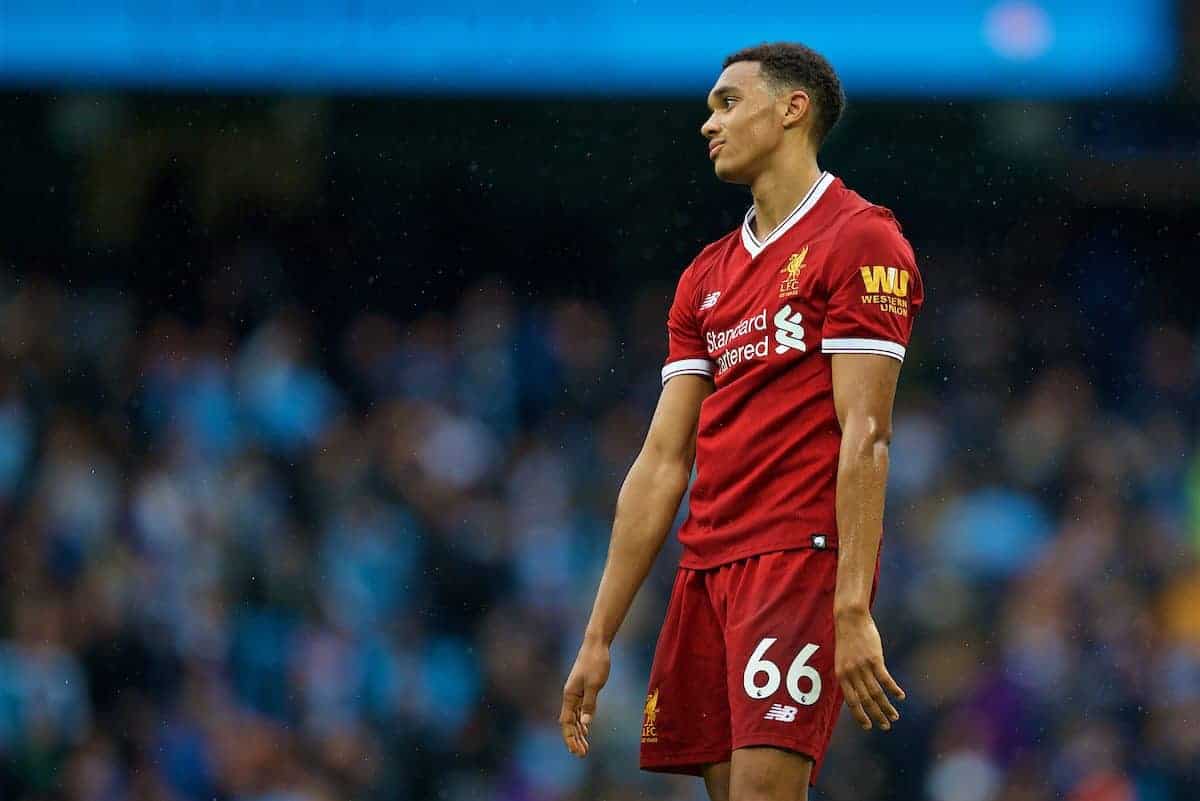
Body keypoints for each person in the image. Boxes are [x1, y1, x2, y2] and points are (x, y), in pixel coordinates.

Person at [560, 42, 924, 800]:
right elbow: (662, 462)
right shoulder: (706, 277)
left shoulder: (860, 240)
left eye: (727, 102)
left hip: (795, 555)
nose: (707, 123)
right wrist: (599, 636)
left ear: (793, 110)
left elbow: (868, 433)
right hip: (706, 571)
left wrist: (851, 605)